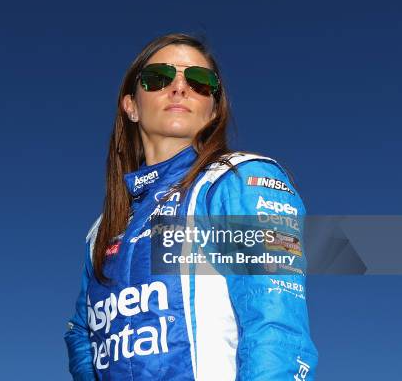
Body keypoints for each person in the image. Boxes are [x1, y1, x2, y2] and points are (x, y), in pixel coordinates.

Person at [64, 33, 318, 380]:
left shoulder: (240, 180)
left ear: (213, 110)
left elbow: (274, 326)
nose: (180, 88)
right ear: (131, 106)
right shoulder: (104, 227)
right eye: (158, 79)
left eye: (200, 82)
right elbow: (81, 331)